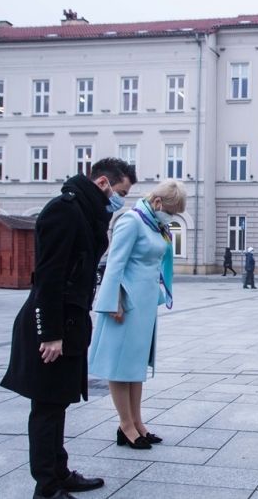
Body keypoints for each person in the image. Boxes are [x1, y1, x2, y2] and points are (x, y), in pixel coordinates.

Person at [0, 158, 136, 499]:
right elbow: (48, 275)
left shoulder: (86, 212)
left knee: (57, 402)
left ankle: (59, 472)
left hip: (70, 322)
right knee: (46, 407)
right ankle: (46, 487)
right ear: (103, 183)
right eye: (121, 192)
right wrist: (50, 333)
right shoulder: (64, 210)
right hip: (52, 324)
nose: (121, 199)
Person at [88, 180, 186, 450]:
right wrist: (113, 301)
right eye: (172, 210)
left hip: (143, 305)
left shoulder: (154, 223)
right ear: (157, 203)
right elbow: (114, 263)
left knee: (135, 367)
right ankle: (125, 425)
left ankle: (137, 422)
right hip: (126, 303)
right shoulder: (132, 221)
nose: (172, 216)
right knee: (120, 367)